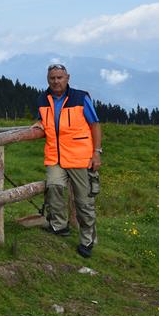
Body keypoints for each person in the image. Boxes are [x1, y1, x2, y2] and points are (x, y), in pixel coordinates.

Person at [33, 63, 103, 258]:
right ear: (48, 80)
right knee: (54, 187)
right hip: (55, 157)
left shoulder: (81, 98)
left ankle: (87, 240)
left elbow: (95, 124)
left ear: (67, 78)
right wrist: (38, 124)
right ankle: (59, 225)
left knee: (84, 201)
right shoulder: (42, 98)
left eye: (59, 77)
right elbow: (42, 119)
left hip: (80, 158)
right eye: (52, 78)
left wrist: (96, 152)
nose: (56, 81)